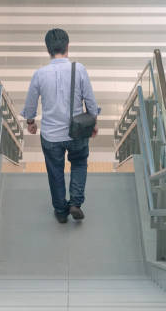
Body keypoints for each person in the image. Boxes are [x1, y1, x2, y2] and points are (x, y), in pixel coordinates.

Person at [21, 28, 100, 223]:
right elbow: (90, 100)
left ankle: (60, 211)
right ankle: (75, 202)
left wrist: (30, 122)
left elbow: (30, 104)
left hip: (50, 136)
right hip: (77, 132)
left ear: (47, 49)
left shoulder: (39, 74)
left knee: (55, 171)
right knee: (80, 163)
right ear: (68, 46)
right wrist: (94, 123)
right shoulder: (79, 69)